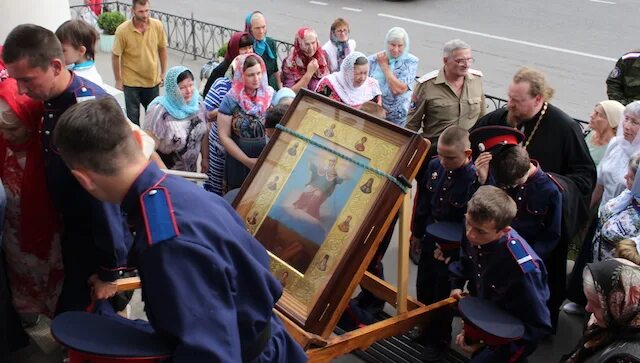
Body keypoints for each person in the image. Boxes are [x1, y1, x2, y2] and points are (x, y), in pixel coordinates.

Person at [53, 97, 307, 362]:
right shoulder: (183, 192)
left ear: (84, 179)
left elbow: (210, 355)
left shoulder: (167, 243)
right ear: (140, 143)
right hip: (270, 340)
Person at [2, 24, 134, 313]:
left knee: (91, 325)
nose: (22, 91)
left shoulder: (89, 109)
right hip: (68, 235)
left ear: (56, 65)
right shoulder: (49, 100)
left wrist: (111, 270)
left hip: (94, 242)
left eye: (27, 81)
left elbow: (107, 199)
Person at [473, 67, 597, 329]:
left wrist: (542, 181)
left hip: (538, 225)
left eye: (517, 101)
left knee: (532, 292)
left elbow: (585, 176)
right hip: (497, 221)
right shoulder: (499, 119)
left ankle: (531, 331)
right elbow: (471, 147)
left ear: (538, 99)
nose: (510, 105)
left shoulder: (564, 127)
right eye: (509, 98)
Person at [449, 186, 552, 362]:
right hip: (485, 316)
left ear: (504, 230)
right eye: (468, 223)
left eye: (480, 231)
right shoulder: (474, 228)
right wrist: (456, 285)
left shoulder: (523, 268)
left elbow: (537, 326)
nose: (470, 234)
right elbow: (465, 261)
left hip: (511, 338)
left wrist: (490, 344)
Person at [0, 54, 63, 322]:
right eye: (3, 129)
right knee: (22, 285)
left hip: (48, 238)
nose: (9, 135)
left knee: (53, 285)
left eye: (15, 128)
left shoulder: (48, 150)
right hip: (14, 235)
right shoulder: (4, 146)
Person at [410, 126, 478, 361]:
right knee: (424, 286)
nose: (444, 161)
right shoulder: (434, 166)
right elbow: (425, 203)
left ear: (468, 154)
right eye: (441, 154)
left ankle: (439, 339)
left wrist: (454, 250)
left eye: (450, 157)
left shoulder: (473, 181)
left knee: (442, 296)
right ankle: (424, 327)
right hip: (431, 238)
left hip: (452, 249)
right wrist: (417, 234)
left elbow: (471, 224)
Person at [473, 134, 562, 261]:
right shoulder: (500, 171)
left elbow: (551, 234)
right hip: (493, 248)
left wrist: (529, 258)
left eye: (516, 183)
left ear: (526, 168)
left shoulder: (549, 191)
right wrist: (483, 180)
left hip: (525, 254)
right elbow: (483, 209)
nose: (512, 186)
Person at [202, 36, 255, 195]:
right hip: (220, 151)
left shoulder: (258, 91)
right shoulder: (221, 84)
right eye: (243, 48)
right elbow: (205, 114)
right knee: (218, 194)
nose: (247, 52)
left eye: (250, 48)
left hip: (245, 153)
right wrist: (227, 108)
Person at [406, 39, 484, 144]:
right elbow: (412, 124)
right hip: (436, 150)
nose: (466, 65)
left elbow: (482, 118)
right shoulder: (426, 86)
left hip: (467, 151)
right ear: (445, 60)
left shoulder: (476, 80)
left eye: (469, 60)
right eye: (460, 61)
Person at [561, 258, 640, 363]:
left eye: (596, 304)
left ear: (621, 305)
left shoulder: (626, 358)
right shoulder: (617, 322)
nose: (587, 308)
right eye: (588, 301)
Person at [218, 54, 274, 190]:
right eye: (250, 75)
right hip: (238, 161)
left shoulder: (270, 95)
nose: (256, 79)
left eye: (259, 73)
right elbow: (224, 136)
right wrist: (247, 161)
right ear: (241, 75)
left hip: (264, 159)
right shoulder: (231, 99)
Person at [112, 0, 168, 125]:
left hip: (152, 81)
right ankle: (136, 143)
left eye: (147, 10)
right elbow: (116, 56)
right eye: (141, 11)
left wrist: (163, 72)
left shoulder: (157, 25)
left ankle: (152, 144)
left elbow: (162, 48)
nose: (145, 15)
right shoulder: (122, 30)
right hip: (131, 83)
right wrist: (118, 80)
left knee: (154, 118)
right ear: (133, 11)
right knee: (132, 120)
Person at [142, 66, 207, 172]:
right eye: (182, 88)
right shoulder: (159, 111)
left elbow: (204, 132)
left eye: (191, 85)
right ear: (172, 89)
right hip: (167, 174)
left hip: (191, 172)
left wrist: (205, 158)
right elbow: (149, 148)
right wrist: (167, 176)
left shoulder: (198, 104)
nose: (189, 91)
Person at [592, 101, 640, 213]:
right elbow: (599, 184)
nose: (626, 126)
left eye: (634, 122)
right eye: (626, 119)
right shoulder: (615, 143)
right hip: (603, 214)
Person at [592, 154, 640, 262]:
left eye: (631, 177)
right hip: (595, 260)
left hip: (613, 273)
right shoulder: (628, 195)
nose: (625, 177)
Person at [368, 27, 418, 126]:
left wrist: (385, 67)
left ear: (405, 45)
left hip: (398, 117)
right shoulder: (374, 60)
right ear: (387, 44)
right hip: (375, 114)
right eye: (392, 45)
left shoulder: (410, 62)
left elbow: (398, 90)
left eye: (400, 46)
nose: (396, 50)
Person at [316, 52, 381, 109]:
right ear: (347, 72)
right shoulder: (328, 84)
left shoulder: (372, 86)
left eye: (365, 73)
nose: (363, 78)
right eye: (358, 73)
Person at [202, 31, 253, 98]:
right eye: (244, 49)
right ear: (234, 49)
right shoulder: (222, 69)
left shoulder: (253, 64)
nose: (248, 51)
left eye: (250, 47)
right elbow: (208, 95)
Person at [55, 19, 103, 85]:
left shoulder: (82, 79)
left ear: (81, 51)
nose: (58, 54)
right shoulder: (83, 68)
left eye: (63, 50)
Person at [281, 27, 329, 93]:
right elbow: (290, 93)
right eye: (307, 44)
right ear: (299, 44)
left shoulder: (322, 57)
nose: (311, 48)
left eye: (313, 43)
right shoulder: (290, 63)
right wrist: (309, 73)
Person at [245, 11, 281, 90]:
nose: (261, 31)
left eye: (263, 27)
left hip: (271, 87)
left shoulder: (270, 43)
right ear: (250, 29)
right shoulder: (247, 47)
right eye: (257, 28)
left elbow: (275, 69)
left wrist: (280, 88)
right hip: (254, 90)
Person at [584, 100, 625, 166]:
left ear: (610, 120)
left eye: (597, 114)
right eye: (594, 112)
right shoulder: (588, 133)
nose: (592, 115)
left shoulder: (615, 148)